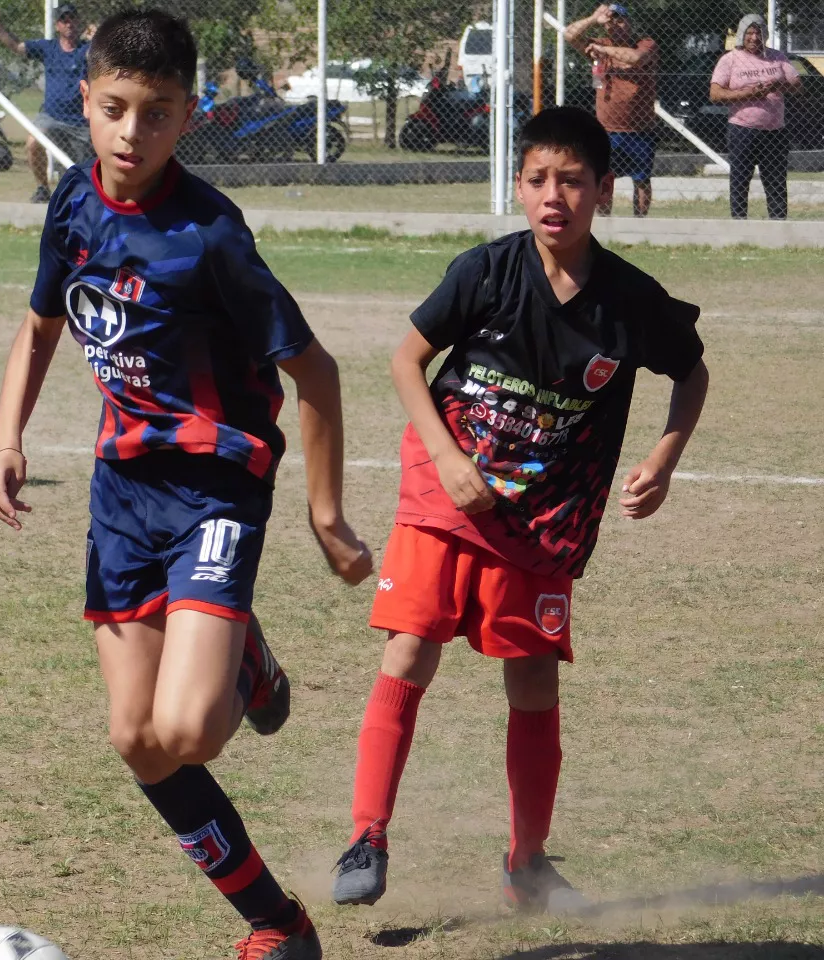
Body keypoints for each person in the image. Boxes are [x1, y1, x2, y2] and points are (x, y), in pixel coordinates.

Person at [0, 10, 372, 958]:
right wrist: (5, 442)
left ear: (187, 115)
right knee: (138, 741)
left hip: (215, 488)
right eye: (114, 108)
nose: (129, 134)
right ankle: (278, 924)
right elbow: (40, 329)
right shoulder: (70, 204)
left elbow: (315, 374)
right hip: (123, 494)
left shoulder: (210, 235)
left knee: (189, 729)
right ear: (86, 97)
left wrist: (325, 514)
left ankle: (244, 661)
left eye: (155, 114)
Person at [329, 107, 709, 913]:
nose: (553, 196)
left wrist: (663, 458)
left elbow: (691, 372)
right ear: (518, 185)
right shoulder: (487, 272)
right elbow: (407, 359)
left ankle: (527, 861)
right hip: (449, 494)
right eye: (537, 179)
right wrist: (445, 455)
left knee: (532, 678)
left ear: (604, 189)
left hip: (545, 517)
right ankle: (367, 835)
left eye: (572, 180)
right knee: (409, 651)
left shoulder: (629, 302)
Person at [0, 1, 93, 203]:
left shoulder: (87, 50)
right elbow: (16, 46)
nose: (68, 24)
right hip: (50, 116)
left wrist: (99, 38)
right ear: (57, 25)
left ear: (78, 23)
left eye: (72, 19)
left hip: (80, 121)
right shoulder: (48, 48)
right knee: (33, 141)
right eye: (64, 20)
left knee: (81, 173)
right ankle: (43, 188)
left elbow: (103, 55)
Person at [564, 3, 658, 217]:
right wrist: (592, 18)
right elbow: (569, 35)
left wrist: (604, 50)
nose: (615, 24)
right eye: (610, 20)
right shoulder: (598, 44)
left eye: (620, 19)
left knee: (641, 179)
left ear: (629, 22)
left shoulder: (645, 43)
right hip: (607, 129)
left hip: (640, 129)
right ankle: (605, 224)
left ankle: (640, 222)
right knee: (603, 178)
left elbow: (636, 58)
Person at [710, 15, 801, 220]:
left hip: (775, 131)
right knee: (740, 180)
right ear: (742, 34)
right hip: (742, 130)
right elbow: (715, 94)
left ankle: (778, 225)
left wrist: (779, 86)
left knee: (776, 182)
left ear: (765, 34)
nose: (754, 37)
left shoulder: (777, 56)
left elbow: (797, 84)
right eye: (750, 33)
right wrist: (748, 94)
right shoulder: (730, 59)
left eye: (759, 32)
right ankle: (740, 224)